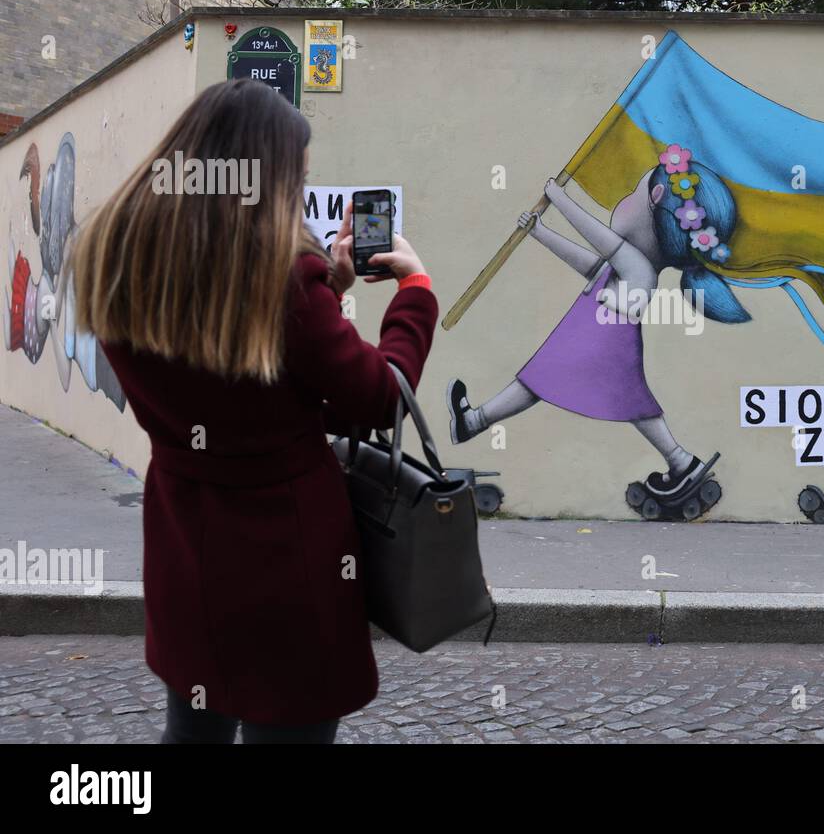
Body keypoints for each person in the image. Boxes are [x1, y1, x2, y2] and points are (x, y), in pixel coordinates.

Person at [70, 78, 437, 743]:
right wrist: (415, 289)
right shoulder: (283, 281)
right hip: (287, 561)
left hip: (187, 544)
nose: (299, 195)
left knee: (192, 732)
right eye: (295, 180)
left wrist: (332, 288)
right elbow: (379, 396)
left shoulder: (116, 252)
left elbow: (238, 375)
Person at [446, 146, 750, 501]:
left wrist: (559, 198)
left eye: (634, 193)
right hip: (590, 341)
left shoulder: (639, 267)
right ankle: (473, 422)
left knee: (611, 399)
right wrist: (540, 232)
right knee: (552, 385)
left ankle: (681, 461)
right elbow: (591, 264)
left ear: (655, 197)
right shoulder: (632, 266)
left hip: (605, 347)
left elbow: (603, 243)